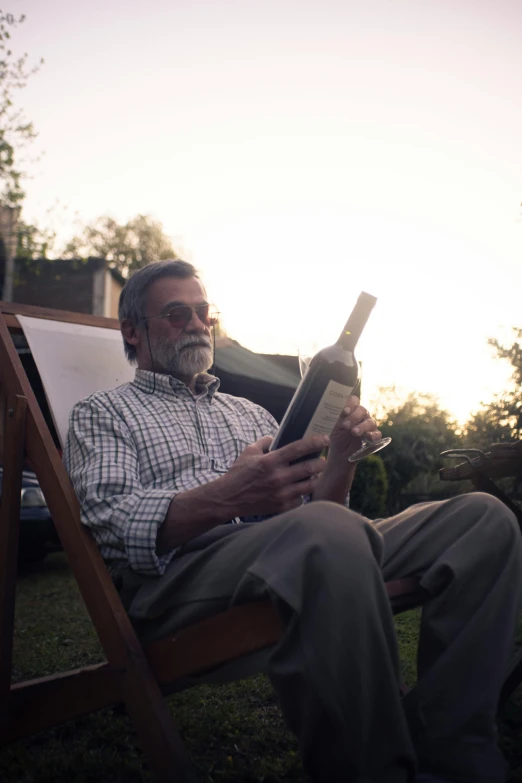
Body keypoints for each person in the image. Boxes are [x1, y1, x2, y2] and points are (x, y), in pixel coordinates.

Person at [64, 259, 522, 783]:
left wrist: (345, 456)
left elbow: (317, 512)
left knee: (483, 520)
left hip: (297, 546)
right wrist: (222, 496)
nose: (195, 324)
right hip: (179, 578)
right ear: (132, 330)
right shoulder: (103, 413)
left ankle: (456, 756)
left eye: (202, 313)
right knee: (326, 535)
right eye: (175, 314)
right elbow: (112, 524)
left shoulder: (251, 413)